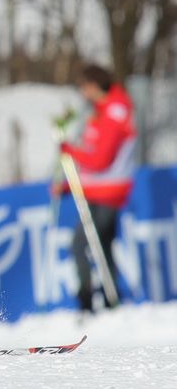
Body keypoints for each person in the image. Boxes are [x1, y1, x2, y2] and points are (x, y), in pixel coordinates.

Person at [56, 63, 136, 313]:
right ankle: (112, 300)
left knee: (80, 244)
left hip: (108, 191)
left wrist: (69, 150)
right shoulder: (99, 111)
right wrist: (69, 185)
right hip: (96, 189)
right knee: (102, 246)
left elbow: (101, 160)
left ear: (92, 85)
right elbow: (91, 158)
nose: (82, 94)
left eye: (83, 87)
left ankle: (87, 303)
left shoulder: (115, 111)